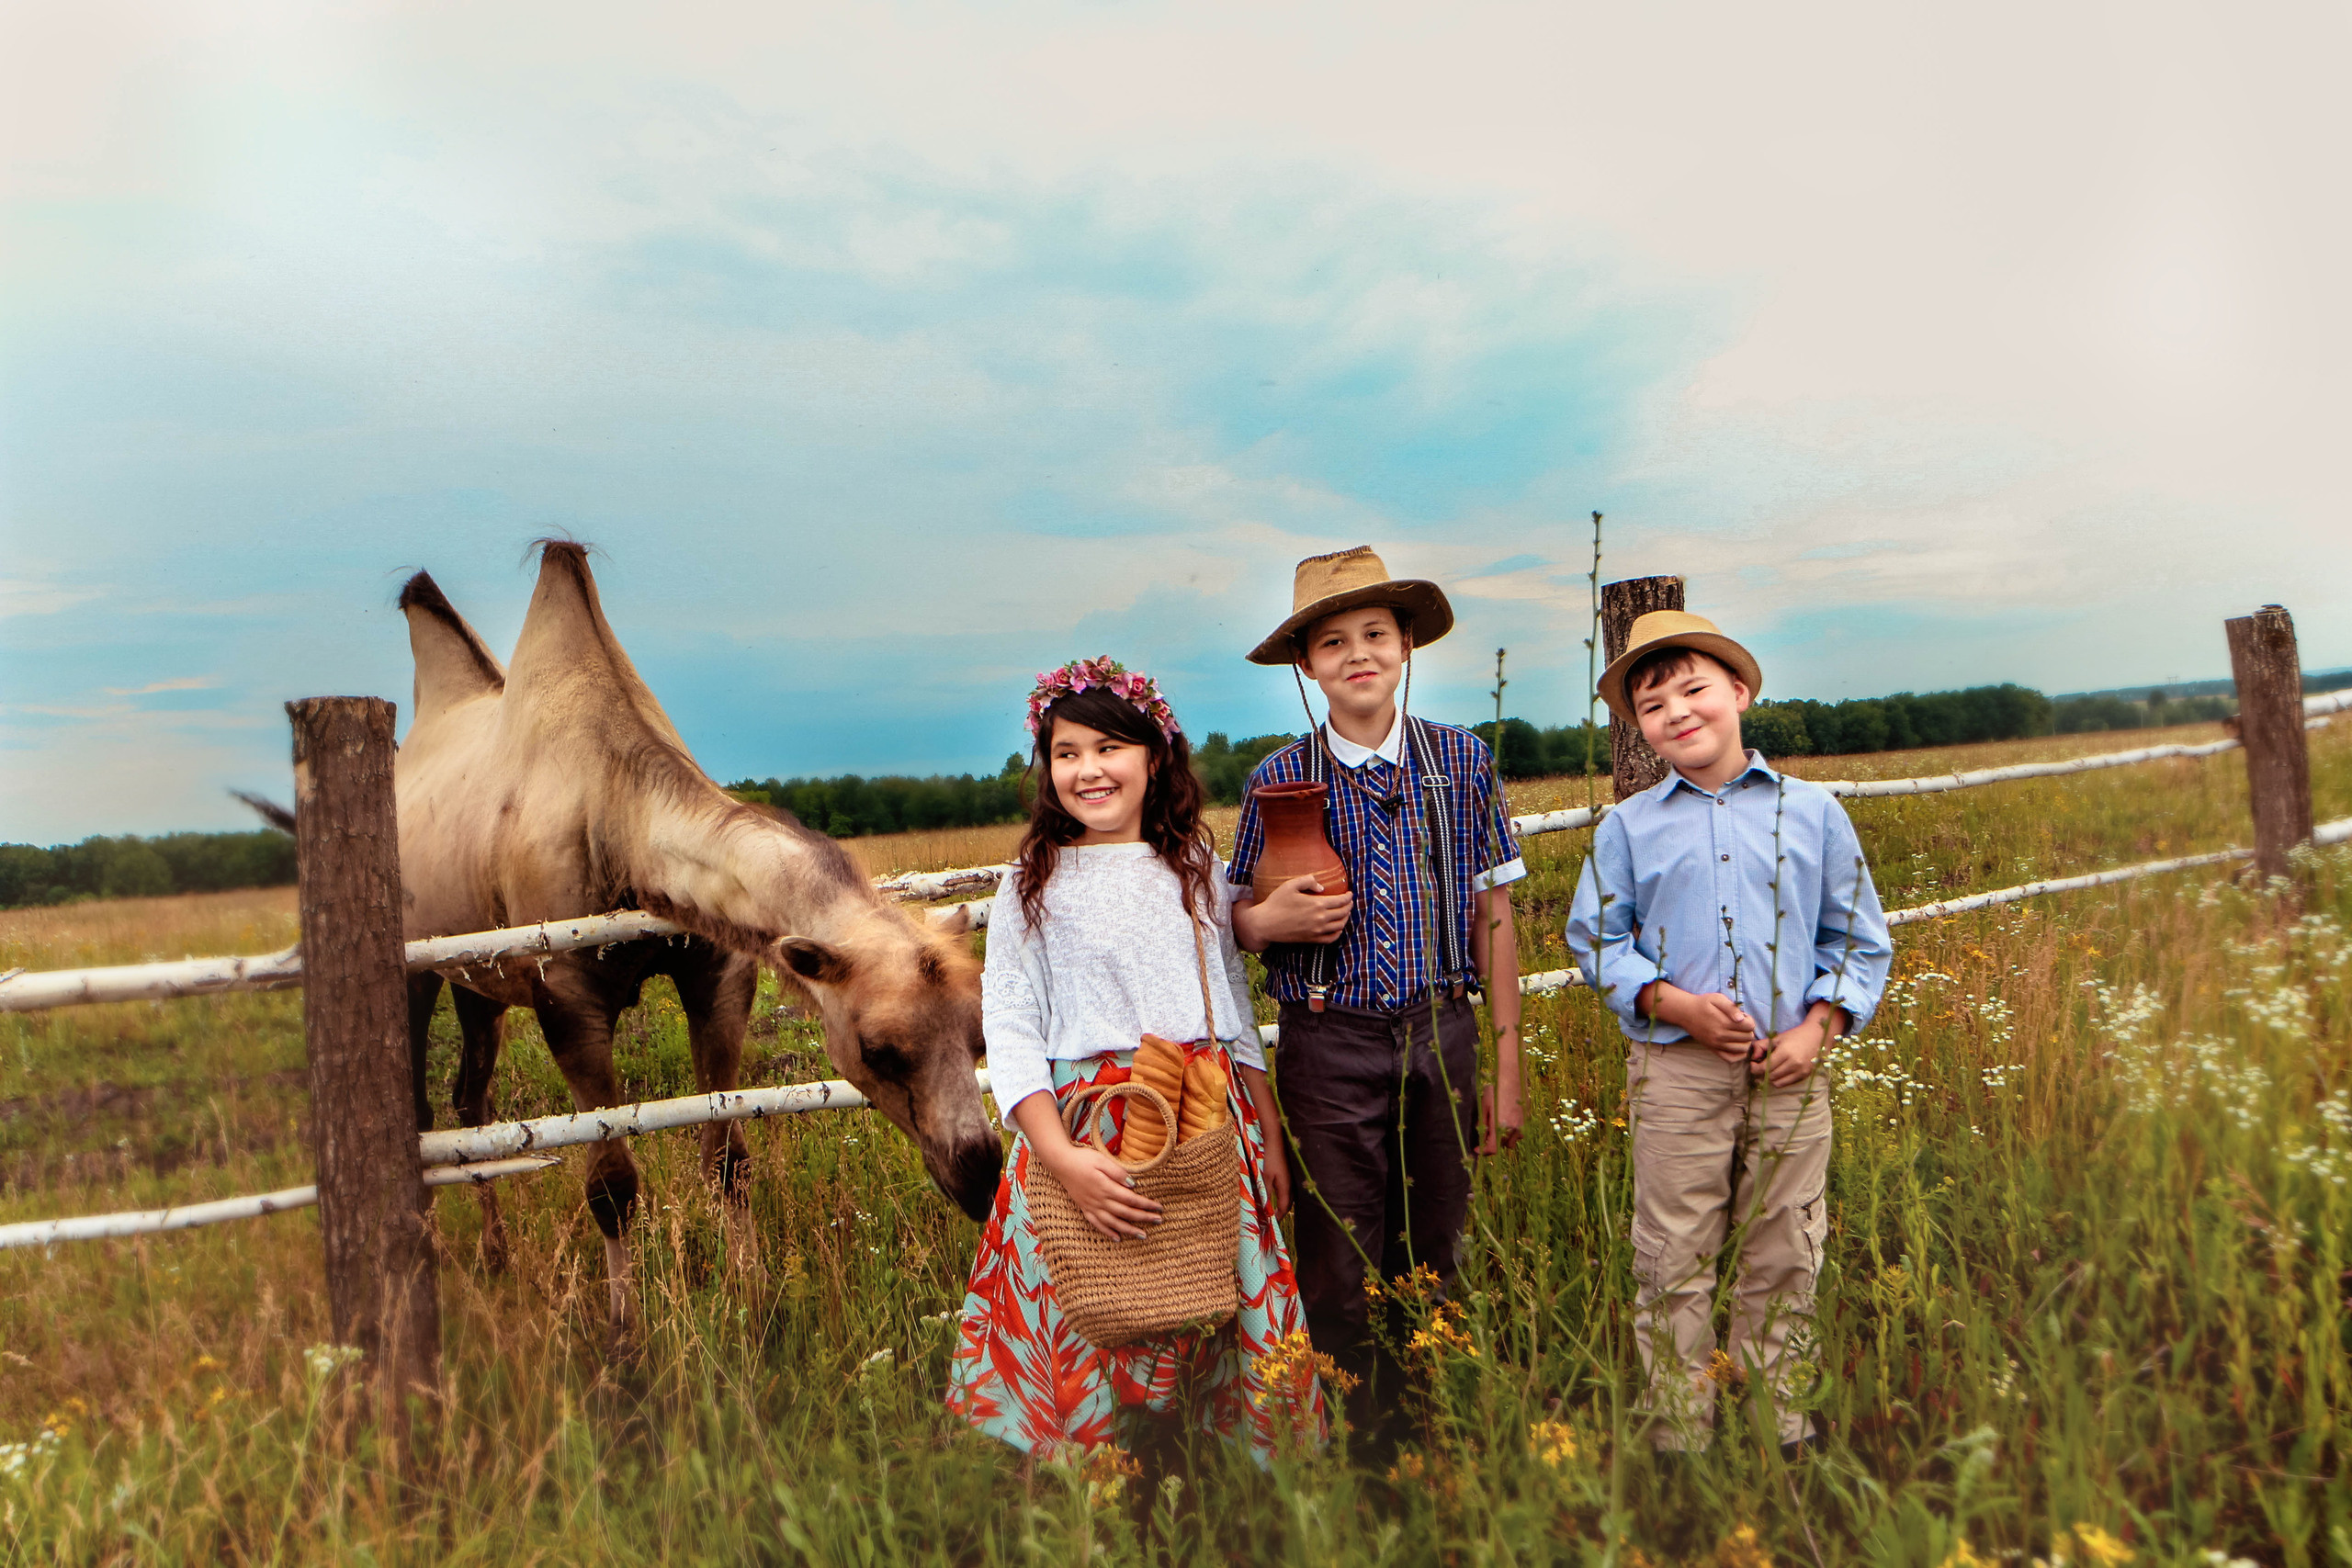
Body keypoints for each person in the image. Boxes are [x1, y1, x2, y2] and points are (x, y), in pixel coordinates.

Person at [945, 656, 1320, 1463]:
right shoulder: (1029, 886)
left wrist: (1273, 1138)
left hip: (1200, 1112)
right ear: (1046, 769)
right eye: (1067, 752)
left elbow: (1235, 1014)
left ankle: (1214, 1472)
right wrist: (1060, 1157)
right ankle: (1100, 1485)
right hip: (1077, 1127)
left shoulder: (1195, 871)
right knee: (1081, 1301)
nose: (1089, 769)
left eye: (1110, 748)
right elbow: (1010, 1032)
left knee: (1213, 1289)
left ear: (1154, 757)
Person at [1565, 610, 1891, 1456]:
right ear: (1638, 728)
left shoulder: (1813, 814)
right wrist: (1676, 1004)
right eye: (1651, 703)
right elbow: (1596, 941)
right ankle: (1680, 1430)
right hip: (1677, 1072)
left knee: (1786, 1247)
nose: (1676, 712)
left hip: (1791, 1067)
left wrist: (1819, 1026)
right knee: (1674, 1250)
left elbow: (1856, 939)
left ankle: (1777, 1422)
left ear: (1739, 691)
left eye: (1693, 689)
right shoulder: (1630, 826)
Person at [1227, 546, 1526, 1442]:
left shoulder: (1462, 763)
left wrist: (1504, 1067)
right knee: (1338, 1257)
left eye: (1374, 634)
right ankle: (1360, 1439)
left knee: (1436, 1244)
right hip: (1328, 1044)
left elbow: (1495, 920)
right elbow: (1234, 921)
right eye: (1332, 641)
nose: (1356, 653)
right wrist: (1266, 924)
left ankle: (1434, 1426)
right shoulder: (1276, 782)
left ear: (1405, 646)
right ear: (1306, 665)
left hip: (1445, 1028)